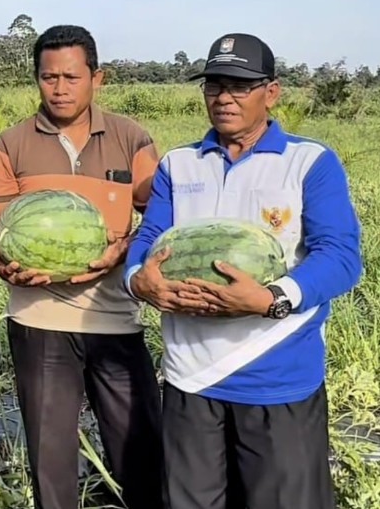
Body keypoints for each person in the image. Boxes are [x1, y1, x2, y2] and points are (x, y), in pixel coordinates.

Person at [125, 32, 363, 509]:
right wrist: (138, 280)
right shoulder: (178, 164)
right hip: (190, 378)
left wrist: (272, 297)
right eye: (214, 86)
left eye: (239, 86)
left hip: (278, 378)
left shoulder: (308, 162)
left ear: (270, 92)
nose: (224, 98)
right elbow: (147, 240)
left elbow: (340, 256)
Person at [0, 24, 165, 509]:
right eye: (48, 77)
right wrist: (2, 263)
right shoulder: (9, 145)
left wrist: (122, 248)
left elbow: (161, 219)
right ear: (36, 79)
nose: (59, 88)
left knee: (140, 453)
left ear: (97, 78)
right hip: (39, 322)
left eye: (71, 77)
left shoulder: (131, 138)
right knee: (50, 462)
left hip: (116, 320)